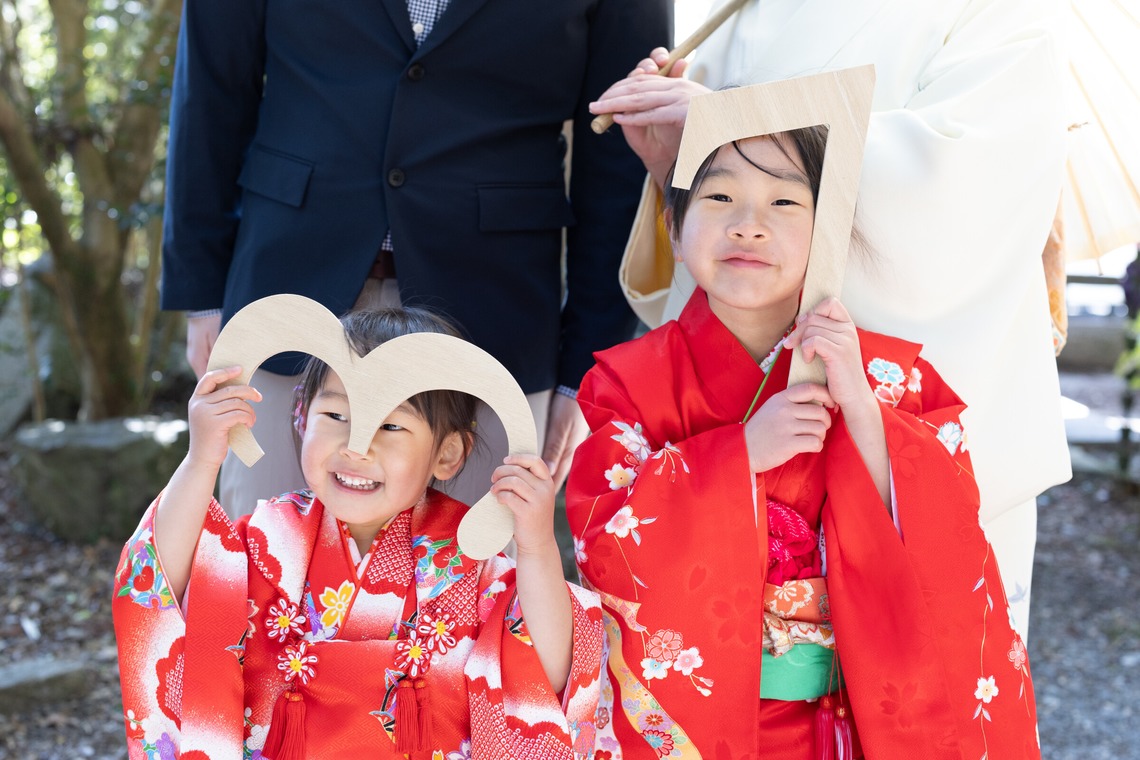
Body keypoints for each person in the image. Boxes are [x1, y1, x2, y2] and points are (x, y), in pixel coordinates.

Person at [588, 0, 1069, 641]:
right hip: (736, 416)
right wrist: (674, 165)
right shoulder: (742, 13)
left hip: (894, 416)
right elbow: (721, 207)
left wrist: (739, 121)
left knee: (910, 675)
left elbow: (980, 185)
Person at [565, 122, 1041, 757]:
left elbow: (951, 529)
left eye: (784, 202)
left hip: (848, 716)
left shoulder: (886, 378)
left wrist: (863, 412)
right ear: (674, 230)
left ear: (828, 233)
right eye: (718, 198)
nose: (748, 225)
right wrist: (740, 456)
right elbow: (603, 542)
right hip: (699, 721)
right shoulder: (628, 382)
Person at [161, 0, 672, 516]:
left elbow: (620, 154)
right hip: (286, 293)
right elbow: (210, 92)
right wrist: (201, 292)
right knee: (261, 559)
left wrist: (585, 366)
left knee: (472, 582)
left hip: (493, 312)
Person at [112, 307, 604, 759]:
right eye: (336, 416)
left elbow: (553, 664)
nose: (357, 445)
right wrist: (202, 460)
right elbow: (158, 583)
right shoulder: (264, 544)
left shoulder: (469, 563)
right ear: (302, 417)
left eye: (391, 427)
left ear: (448, 454)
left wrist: (537, 544)